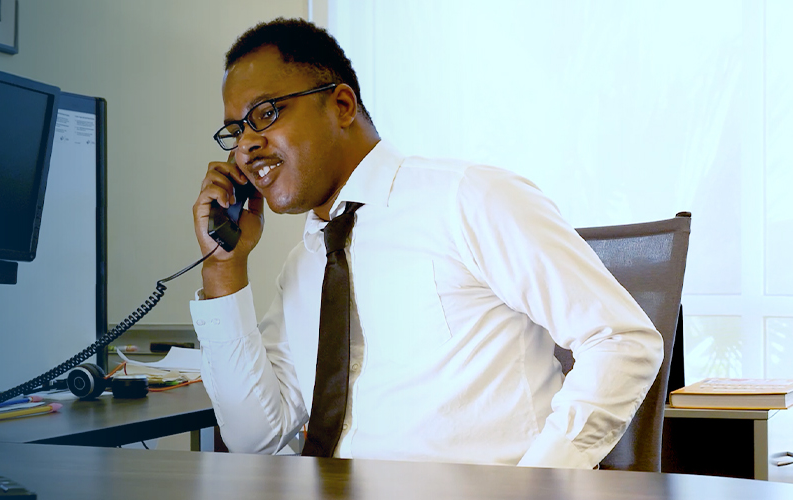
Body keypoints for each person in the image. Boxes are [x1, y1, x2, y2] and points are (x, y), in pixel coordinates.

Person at [188, 18, 662, 469]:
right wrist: (223, 269)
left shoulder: (468, 199)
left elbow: (621, 340)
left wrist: (537, 483)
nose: (245, 146)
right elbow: (255, 438)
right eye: (235, 130)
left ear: (342, 106)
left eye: (265, 114)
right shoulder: (305, 266)